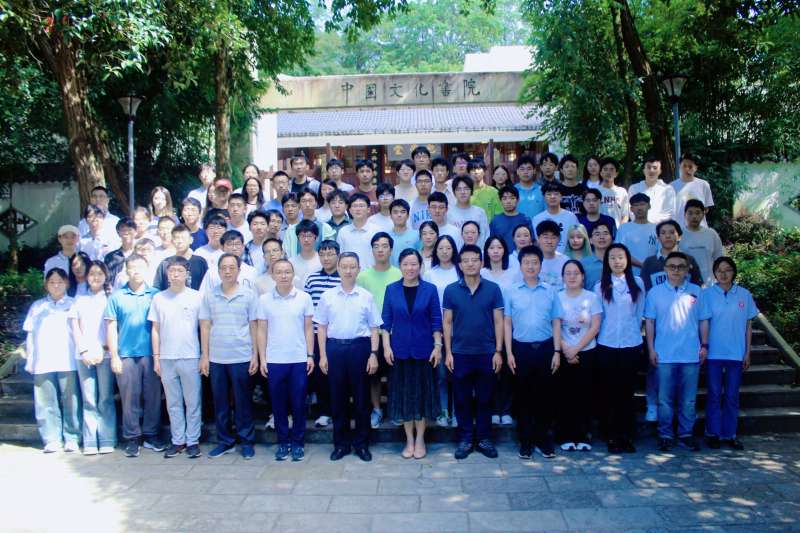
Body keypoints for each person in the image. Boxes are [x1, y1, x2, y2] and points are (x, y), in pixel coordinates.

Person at [315, 252, 382, 462]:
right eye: (344, 266)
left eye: (352, 266)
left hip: (360, 349)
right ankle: (341, 444)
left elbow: (374, 328)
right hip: (335, 349)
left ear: (358, 269)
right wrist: (322, 356)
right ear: (339, 268)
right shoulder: (327, 296)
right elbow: (321, 328)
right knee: (338, 399)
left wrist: (373, 354)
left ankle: (362, 444)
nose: (348, 270)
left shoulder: (366, 296)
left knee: (362, 399)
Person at [645, 251, 710, 452]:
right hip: (664, 354)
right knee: (664, 400)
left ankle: (686, 434)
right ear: (665, 269)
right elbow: (649, 322)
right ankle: (665, 434)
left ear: (687, 269)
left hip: (690, 354)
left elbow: (703, 320)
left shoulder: (696, 291)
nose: (676, 270)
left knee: (688, 400)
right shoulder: (654, 293)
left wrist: (704, 345)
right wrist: (651, 349)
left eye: (681, 266)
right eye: (671, 266)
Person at [444, 244, 504, 460]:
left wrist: (498, 351)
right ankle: (466, 439)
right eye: (466, 260)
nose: (470, 264)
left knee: (485, 398)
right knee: (461, 399)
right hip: (460, 353)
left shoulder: (493, 289)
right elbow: (447, 322)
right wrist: (448, 352)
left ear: (481, 262)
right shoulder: (451, 290)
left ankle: (484, 438)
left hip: (487, 352)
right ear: (460, 265)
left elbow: (499, 321)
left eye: (474, 259)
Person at [382, 249, 443, 459]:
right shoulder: (391, 289)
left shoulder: (430, 290)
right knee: (405, 398)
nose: (410, 268)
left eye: (414, 264)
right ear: (400, 266)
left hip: (424, 352)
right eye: (406, 264)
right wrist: (386, 347)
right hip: (399, 352)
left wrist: (437, 346)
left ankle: (420, 440)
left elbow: (436, 320)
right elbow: (385, 322)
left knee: (421, 398)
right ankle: (409, 439)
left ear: (420, 266)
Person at [199, 253, 259, 459]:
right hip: (217, 358)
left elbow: (254, 326)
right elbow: (205, 326)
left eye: (232, 267)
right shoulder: (210, 295)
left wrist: (255, 355)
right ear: (218, 271)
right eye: (223, 268)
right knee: (221, 403)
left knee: (243, 402)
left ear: (239, 271)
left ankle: (247, 441)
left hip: (241, 356)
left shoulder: (249, 295)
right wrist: (205, 356)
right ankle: (225, 441)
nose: (227, 271)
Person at [503, 245, 560, 459]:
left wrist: (557, 351)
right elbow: (507, 323)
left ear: (540, 265)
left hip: (545, 348)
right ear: (520, 265)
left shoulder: (550, 291)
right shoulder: (511, 291)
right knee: (523, 397)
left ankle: (543, 440)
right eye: (526, 262)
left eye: (535, 262)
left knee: (545, 397)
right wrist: (509, 353)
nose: (530, 266)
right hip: (521, 349)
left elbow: (556, 322)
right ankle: (525, 441)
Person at [104, 254, 165, 457]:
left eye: (140, 266)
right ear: (126, 270)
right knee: (129, 397)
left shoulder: (156, 295)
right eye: (132, 267)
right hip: (126, 355)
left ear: (147, 269)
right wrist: (114, 356)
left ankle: (151, 434)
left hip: (151, 354)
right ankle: (132, 437)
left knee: (153, 396)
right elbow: (111, 328)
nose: (136, 271)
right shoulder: (117, 297)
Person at [256, 259, 315, 462]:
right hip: (274, 360)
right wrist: (263, 358)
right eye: (279, 272)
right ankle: (283, 442)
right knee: (278, 405)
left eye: (287, 271)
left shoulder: (304, 298)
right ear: (272, 275)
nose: (283, 275)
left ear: (293, 274)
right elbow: (261, 330)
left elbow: (309, 328)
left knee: (298, 403)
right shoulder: (264, 300)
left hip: (298, 359)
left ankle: (298, 443)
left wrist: (310, 355)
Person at [148, 256, 203, 459]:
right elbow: (155, 329)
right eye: (172, 271)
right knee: (173, 402)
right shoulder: (159, 298)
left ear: (187, 274)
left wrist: (203, 355)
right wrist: (156, 357)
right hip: (166, 357)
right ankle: (178, 440)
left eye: (180, 271)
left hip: (190, 355)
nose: (175, 274)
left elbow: (204, 327)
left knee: (193, 401)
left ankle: (193, 441)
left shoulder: (196, 297)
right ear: (167, 274)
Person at [594, 243, 645, 453]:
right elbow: (598, 317)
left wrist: (634, 332)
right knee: (609, 392)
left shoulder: (638, 283)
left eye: (621, 257)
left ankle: (627, 435)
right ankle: (611, 436)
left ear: (627, 259)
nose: (617, 261)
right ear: (607, 261)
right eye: (612, 257)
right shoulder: (599, 286)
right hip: (606, 344)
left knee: (627, 392)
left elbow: (639, 313)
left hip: (631, 343)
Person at [703, 257, 758, 451]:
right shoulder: (707, 295)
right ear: (714, 273)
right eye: (719, 270)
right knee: (714, 395)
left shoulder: (744, 294)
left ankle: (730, 434)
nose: (723, 274)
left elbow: (748, 326)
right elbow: (703, 323)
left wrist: (747, 352)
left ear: (734, 272)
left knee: (732, 396)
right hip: (714, 354)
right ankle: (713, 433)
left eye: (727, 270)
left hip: (736, 353)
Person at [24, 268, 80, 453]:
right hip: (43, 360)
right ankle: (51, 439)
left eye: (60, 282)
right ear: (46, 285)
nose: (56, 285)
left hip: (68, 359)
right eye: (52, 282)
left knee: (71, 400)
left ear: (67, 284)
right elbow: (30, 334)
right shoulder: (37, 306)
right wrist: (30, 358)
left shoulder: (74, 304)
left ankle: (72, 437)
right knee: (45, 402)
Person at [68, 260, 116, 454]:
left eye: (99, 273)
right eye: (92, 273)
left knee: (105, 398)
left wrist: (104, 349)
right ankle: (89, 441)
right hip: (84, 357)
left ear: (106, 276)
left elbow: (114, 328)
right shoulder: (79, 300)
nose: (95, 277)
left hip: (105, 355)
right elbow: (75, 328)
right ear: (86, 277)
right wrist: (84, 351)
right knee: (88, 399)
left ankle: (107, 439)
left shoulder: (111, 299)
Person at [357, 232, 402, 428]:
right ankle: (376, 409)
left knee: (395, 374)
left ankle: (395, 410)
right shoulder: (363, 276)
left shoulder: (399, 274)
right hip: (371, 334)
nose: (380, 250)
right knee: (373, 375)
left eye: (384, 246)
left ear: (391, 250)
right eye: (376, 246)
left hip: (395, 334)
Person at [555, 260, 601, 451]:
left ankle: (583, 436)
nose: (572, 276)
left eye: (576, 273)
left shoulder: (592, 297)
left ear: (583, 276)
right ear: (563, 277)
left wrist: (577, 348)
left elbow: (595, 326)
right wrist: (566, 349)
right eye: (568, 273)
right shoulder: (557, 297)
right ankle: (565, 435)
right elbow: (554, 326)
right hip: (564, 352)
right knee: (565, 395)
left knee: (585, 395)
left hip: (587, 351)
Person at [423, 235, 460, 427]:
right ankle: (443, 410)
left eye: (448, 248)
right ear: (435, 251)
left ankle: (458, 412)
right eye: (441, 248)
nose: (445, 252)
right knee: (441, 374)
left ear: (454, 250)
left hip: (459, 329)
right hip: (437, 328)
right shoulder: (430, 274)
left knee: (459, 373)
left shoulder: (460, 271)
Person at [480, 236, 518, 426]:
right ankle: (494, 409)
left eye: (499, 247)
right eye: (491, 247)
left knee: (508, 369)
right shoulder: (481, 273)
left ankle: (507, 409)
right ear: (486, 251)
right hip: (487, 327)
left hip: (510, 325)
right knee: (490, 370)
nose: (495, 251)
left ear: (505, 250)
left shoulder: (513, 273)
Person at [303, 240, 341, 428]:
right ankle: (325, 412)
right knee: (320, 374)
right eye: (323, 254)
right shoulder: (312, 279)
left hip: (337, 336)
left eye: (330, 254)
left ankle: (339, 411)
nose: (326, 258)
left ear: (338, 255)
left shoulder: (344, 277)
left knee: (338, 375)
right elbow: (307, 309)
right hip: (317, 335)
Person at [640, 220, 703, 292]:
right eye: (663, 233)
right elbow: (644, 290)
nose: (667, 236)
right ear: (658, 238)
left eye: (672, 232)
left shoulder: (689, 260)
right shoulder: (649, 262)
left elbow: (697, 287)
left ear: (679, 237)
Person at [681, 199, 724, 286]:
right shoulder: (679, 234)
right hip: (686, 284)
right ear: (685, 215)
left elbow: (719, 259)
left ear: (703, 214)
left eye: (697, 213)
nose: (694, 216)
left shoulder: (711, 234)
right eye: (690, 213)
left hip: (710, 283)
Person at [153, 224, 209, 291]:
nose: (180, 241)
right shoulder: (165, 263)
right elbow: (157, 288)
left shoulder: (200, 262)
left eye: (183, 238)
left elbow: (207, 286)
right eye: (176, 238)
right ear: (172, 241)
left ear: (191, 240)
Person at [616, 193, 658, 275]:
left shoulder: (656, 229)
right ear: (631, 209)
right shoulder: (624, 228)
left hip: (653, 273)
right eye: (636, 205)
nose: (639, 208)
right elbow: (619, 251)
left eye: (642, 204)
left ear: (649, 206)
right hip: (630, 274)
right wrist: (642, 265)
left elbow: (659, 252)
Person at [532, 181, 579, 254]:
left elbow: (577, 239)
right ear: (544, 197)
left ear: (561, 196)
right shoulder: (537, 219)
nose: (552, 197)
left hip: (567, 258)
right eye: (549, 194)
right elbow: (536, 242)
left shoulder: (571, 217)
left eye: (556, 194)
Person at [337, 193, 379, 270]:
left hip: (372, 274)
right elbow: (340, 257)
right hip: (349, 275)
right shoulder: (343, 232)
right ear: (349, 210)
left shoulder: (377, 231)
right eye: (355, 206)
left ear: (368, 209)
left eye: (361, 206)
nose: (358, 209)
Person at [628, 156, 676, 223]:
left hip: (661, 228)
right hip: (639, 226)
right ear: (644, 170)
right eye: (648, 167)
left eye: (655, 168)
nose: (651, 170)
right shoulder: (634, 188)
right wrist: (644, 223)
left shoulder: (668, 189)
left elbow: (669, 213)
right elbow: (631, 211)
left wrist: (650, 223)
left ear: (660, 171)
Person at [672, 153, 714, 229]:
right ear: (680, 166)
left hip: (700, 230)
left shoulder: (704, 185)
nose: (687, 169)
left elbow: (706, 209)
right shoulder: (671, 187)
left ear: (696, 168)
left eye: (690, 166)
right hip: (679, 231)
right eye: (684, 166)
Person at [449, 176, 489, 247]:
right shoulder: (448, 213)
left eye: (466, 189)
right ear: (454, 192)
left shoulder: (480, 212)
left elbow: (485, 236)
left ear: (471, 191)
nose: (462, 192)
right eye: (459, 189)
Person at [78, 186, 122, 250]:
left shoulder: (115, 221)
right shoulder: (83, 223)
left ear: (108, 200)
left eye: (101, 196)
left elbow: (120, 244)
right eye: (94, 196)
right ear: (90, 199)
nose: (97, 199)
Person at [490, 186, 531, 252]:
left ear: (518, 200)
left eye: (512, 198)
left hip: (522, 256)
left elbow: (532, 241)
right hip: (502, 257)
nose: (508, 201)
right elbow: (491, 242)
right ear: (500, 201)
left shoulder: (525, 219)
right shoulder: (495, 220)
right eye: (504, 198)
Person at [581, 221, 614, 291]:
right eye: (597, 234)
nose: (602, 237)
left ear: (612, 238)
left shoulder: (618, 262)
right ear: (590, 240)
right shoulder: (583, 264)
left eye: (605, 233)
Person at [597, 158, 630, 227]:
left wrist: (620, 230)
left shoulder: (622, 192)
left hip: (617, 230)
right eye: (605, 169)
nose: (608, 172)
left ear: (616, 174)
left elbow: (625, 215)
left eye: (611, 169)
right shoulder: (595, 191)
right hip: (599, 230)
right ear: (601, 173)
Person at [536, 220, 568, 289]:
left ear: (559, 239)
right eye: (545, 237)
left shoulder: (566, 261)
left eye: (553, 237)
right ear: (538, 238)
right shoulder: (531, 261)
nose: (549, 241)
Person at [290, 220, 323, 286]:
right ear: (298, 238)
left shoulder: (322, 261)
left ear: (316, 238)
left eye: (309, 236)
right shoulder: (291, 262)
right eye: (303, 236)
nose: (306, 240)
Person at [388, 199, 419, 267]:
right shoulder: (386, 237)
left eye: (403, 212)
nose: (399, 215)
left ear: (408, 215)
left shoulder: (417, 235)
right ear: (390, 216)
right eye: (395, 212)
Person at [242, 210, 273, 274]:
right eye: (255, 224)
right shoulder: (244, 249)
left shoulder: (277, 247)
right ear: (249, 227)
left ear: (268, 227)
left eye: (262, 224)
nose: (259, 227)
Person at [515, 155, 545, 219]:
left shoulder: (542, 190)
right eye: (522, 169)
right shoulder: (513, 190)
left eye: (529, 169)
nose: (525, 172)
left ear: (534, 171)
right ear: (517, 171)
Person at [280, 192, 302, 258]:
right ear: (282, 209)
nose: (290, 209)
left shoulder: (305, 227)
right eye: (287, 206)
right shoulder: (278, 229)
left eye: (293, 206)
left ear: (299, 208)